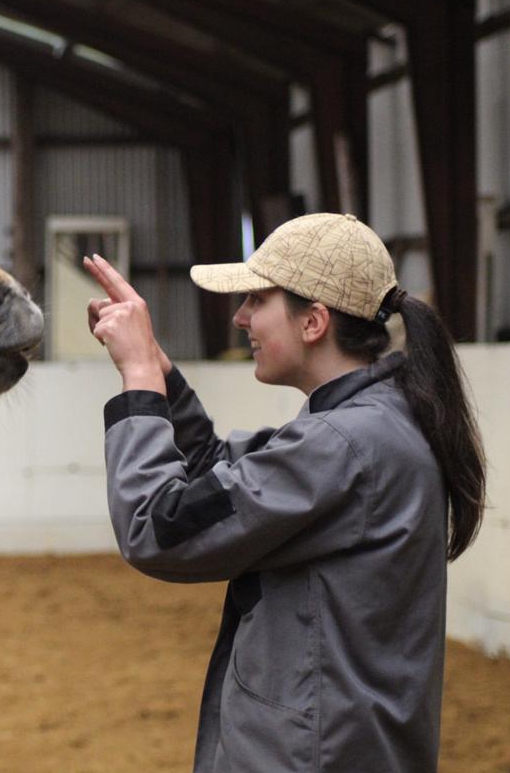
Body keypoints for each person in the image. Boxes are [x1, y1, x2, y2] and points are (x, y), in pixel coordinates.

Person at [83, 212, 485, 772]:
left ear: (313, 321)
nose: (240, 317)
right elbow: (215, 477)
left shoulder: (341, 443)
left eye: (257, 300)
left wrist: (139, 383)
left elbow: (158, 528)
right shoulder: (374, 423)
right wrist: (159, 367)